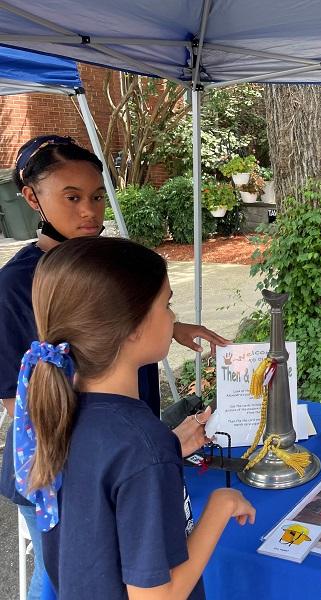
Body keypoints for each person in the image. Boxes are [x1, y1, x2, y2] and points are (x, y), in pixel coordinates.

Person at [0, 135, 228, 599]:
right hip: (68, 458)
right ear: (32, 197)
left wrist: (173, 328)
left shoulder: (101, 258)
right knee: (57, 571)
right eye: (72, 198)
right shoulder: (16, 285)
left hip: (109, 446)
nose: (89, 211)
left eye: (97, 197)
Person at [15, 236, 256, 599]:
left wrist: (168, 445)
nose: (174, 318)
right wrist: (219, 509)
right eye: (167, 304)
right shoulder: (142, 446)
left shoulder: (55, 412)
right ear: (132, 327)